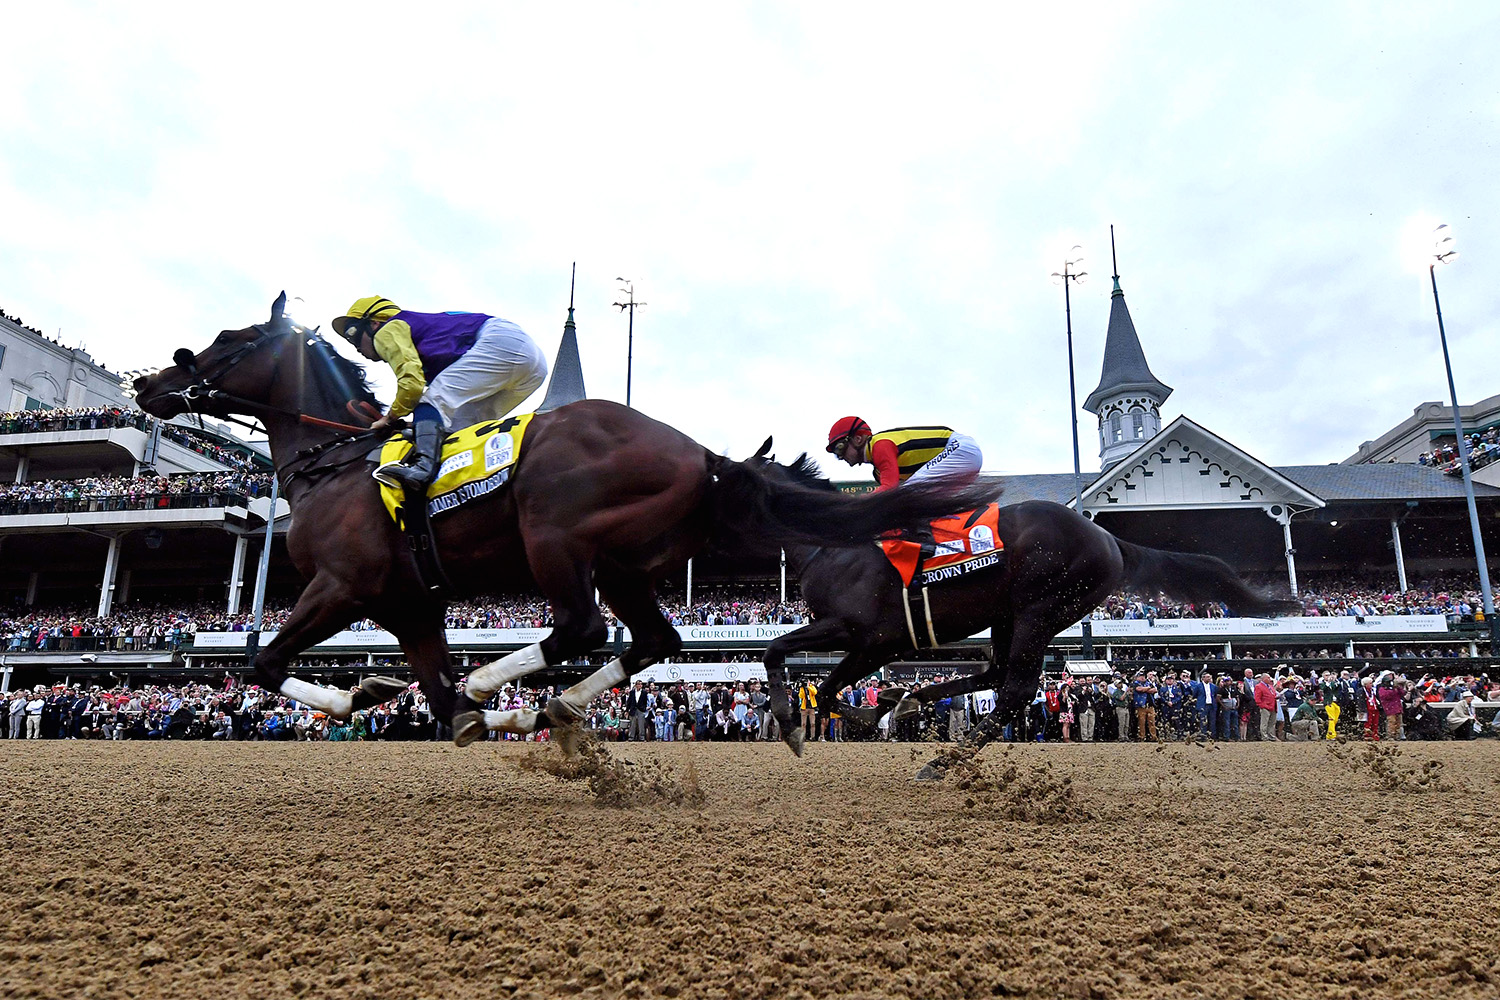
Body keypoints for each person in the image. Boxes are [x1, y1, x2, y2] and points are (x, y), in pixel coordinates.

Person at [332, 296, 549, 492]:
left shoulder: (387, 329)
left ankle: (422, 470)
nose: (355, 346)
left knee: (430, 401)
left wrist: (390, 417)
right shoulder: (418, 333)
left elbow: (412, 384)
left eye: (353, 333)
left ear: (374, 323)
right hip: (533, 367)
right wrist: (415, 425)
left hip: (502, 344)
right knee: (459, 427)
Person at [825, 417, 982, 492]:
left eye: (840, 449)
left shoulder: (880, 446)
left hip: (959, 448)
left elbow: (889, 488)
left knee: (909, 491)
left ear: (858, 439)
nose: (841, 457)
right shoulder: (878, 472)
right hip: (959, 455)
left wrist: (852, 503)